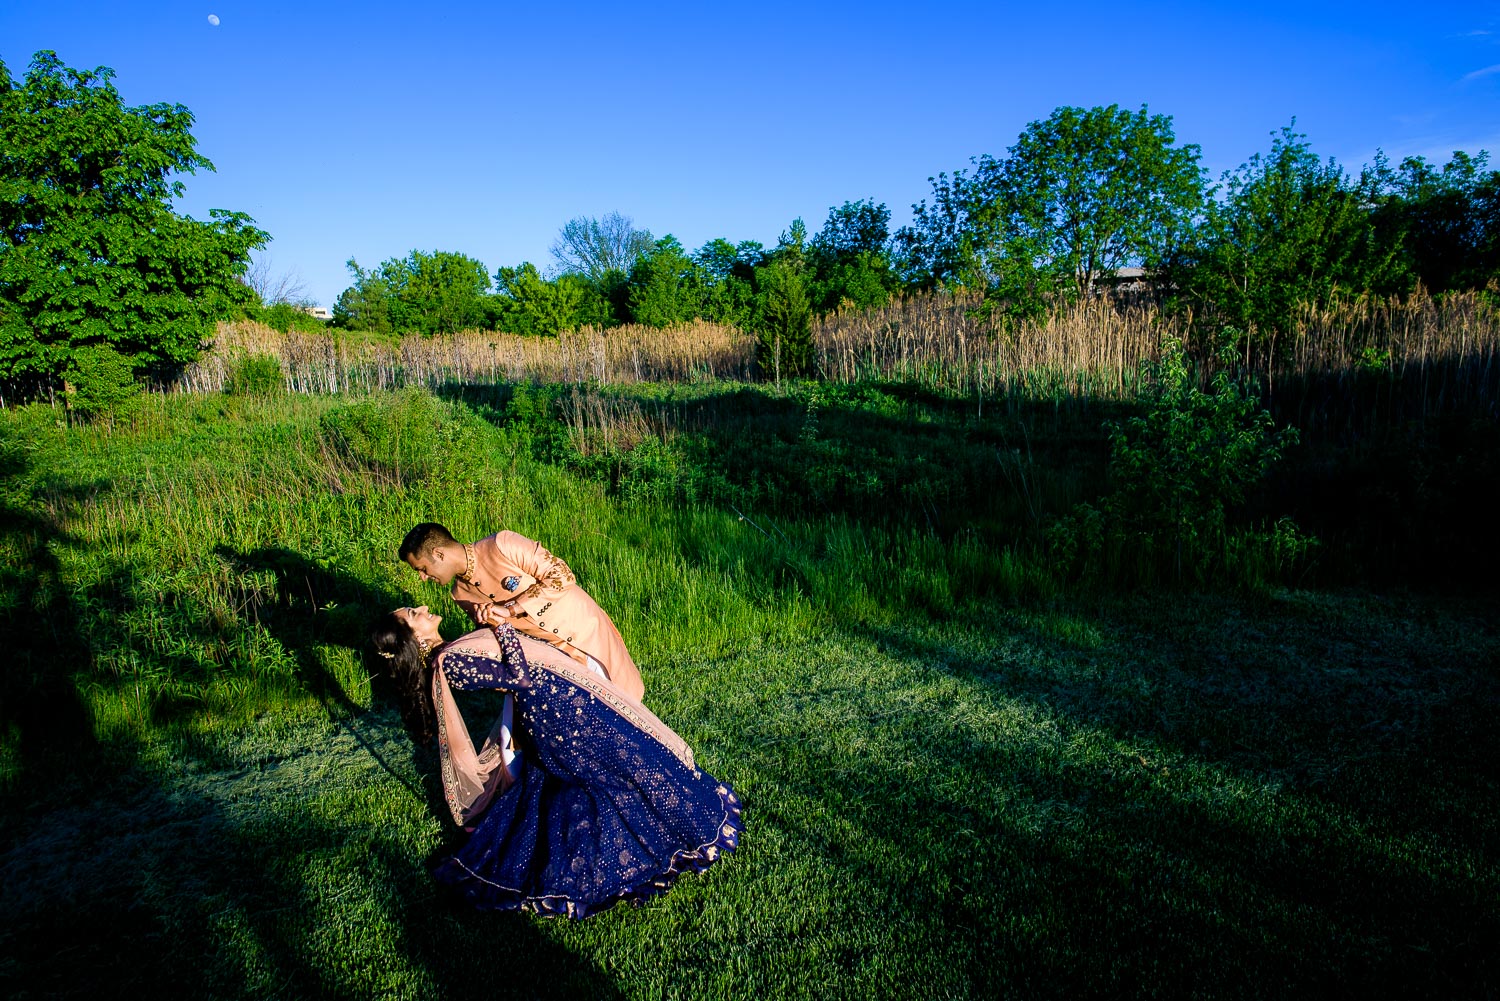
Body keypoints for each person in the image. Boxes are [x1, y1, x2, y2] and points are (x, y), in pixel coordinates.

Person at [369, 605, 741, 917]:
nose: (422, 608)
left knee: (615, 772)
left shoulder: (452, 652)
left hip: (563, 703)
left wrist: (494, 626)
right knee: (621, 768)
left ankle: (606, 847)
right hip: (562, 716)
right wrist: (502, 627)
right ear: (413, 639)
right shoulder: (450, 663)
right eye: (413, 614)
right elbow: (520, 677)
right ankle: (608, 859)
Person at [399, 522, 646, 703]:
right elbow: (499, 638)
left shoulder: (501, 544)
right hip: (552, 656)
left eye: (421, 568)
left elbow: (561, 574)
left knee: (624, 697)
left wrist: (510, 609)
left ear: (439, 554)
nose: (422, 578)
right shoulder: (460, 594)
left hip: (582, 627)